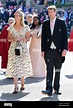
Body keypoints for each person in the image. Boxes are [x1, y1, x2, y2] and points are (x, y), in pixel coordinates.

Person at [41, 5, 68, 96]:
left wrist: (65, 49)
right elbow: (43, 38)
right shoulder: (45, 23)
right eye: (48, 12)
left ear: (55, 12)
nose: (50, 14)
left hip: (59, 51)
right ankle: (48, 88)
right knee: (49, 70)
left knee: (57, 70)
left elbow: (65, 37)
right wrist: (42, 50)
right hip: (49, 51)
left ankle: (57, 87)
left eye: (51, 12)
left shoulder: (61, 23)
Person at [6, 10, 33, 94]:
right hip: (13, 49)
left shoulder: (26, 27)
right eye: (15, 15)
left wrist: (21, 39)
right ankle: (15, 86)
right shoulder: (11, 27)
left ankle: (22, 83)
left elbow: (28, 38)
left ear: (21, 17)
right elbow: (8, 38)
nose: (15, 17)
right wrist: (13, 38)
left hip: (23, 49)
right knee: (14, 66)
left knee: (22, 65)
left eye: (17, 15)